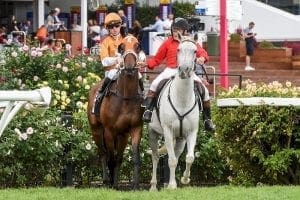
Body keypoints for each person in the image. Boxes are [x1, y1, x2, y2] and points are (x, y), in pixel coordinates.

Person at [141, 18, 216, 132]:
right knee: (154, 84)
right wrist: (145, 63)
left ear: (185, 31)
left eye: (178, 30)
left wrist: (202, 58)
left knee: (204, 90)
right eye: (174, 30)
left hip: (188, 72)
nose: (176, 33)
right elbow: (157, 59)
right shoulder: (167, 42)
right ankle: (149, 111)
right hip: (170, 70)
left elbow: (202, 53)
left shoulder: (191, 41)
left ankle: (207, 119)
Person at [92, 12, 145, 114]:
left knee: (138, 75)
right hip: (112, 69)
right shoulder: (105, 42)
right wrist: (116, 60)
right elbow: (104, 61)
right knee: (112, 74)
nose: (115, 29)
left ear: (120, 26)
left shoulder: (126, 38)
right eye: (111, 27)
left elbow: (138, 51)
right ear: (108, 29)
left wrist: (141, 58)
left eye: (117, 26)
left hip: (126, 68)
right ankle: (99, 96)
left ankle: (143, 96)